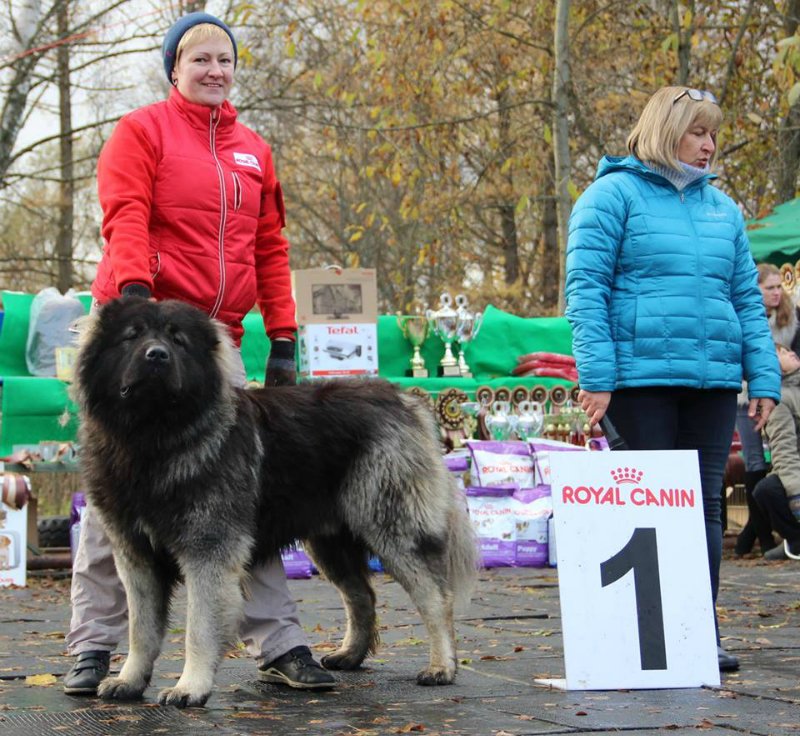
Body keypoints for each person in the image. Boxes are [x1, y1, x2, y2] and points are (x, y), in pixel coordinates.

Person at [63, 12, 335, 695]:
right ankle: (94, 645)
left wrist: (284, 334)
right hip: (141, 328)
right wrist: (134, 298)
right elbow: (123, 210)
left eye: (225, 59)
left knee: (242, 491)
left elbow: (268, 247)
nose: (215, 69)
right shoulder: (142, 131)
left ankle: (279, 643)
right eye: (199, 59)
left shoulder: (254, 150)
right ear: (174, 70)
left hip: (216, 343)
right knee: (118, 494)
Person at [565, 86, 781, 673]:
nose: (709, 144)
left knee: (703, 507)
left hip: (710, 382)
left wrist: (762, 376)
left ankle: (698, 633)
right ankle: (645, 638)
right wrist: (599, 377)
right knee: (650, 507)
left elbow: (744, 298)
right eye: (697, 132)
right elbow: (586, 292)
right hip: (639, 383)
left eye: (712, 134)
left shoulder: (724, 210)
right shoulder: (610, 197)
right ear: (665, 130)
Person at [734, 262, 800, 556]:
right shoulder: (745, 318)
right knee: (755, 464)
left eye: (778, 287)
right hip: (748, 394)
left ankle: (753, 537)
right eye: (769, 288)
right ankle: (759, 535)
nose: (776, 293)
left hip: (782, 391)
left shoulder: (790, 319)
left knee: (773, 464)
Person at [754, 344, 800, 561]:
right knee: (767, 488)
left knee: (765, 489)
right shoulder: (779, 400)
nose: (791, 352)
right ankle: (796, 540)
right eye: (781, 352)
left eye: (789, 350)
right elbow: (784, 450)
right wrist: (796, 495)